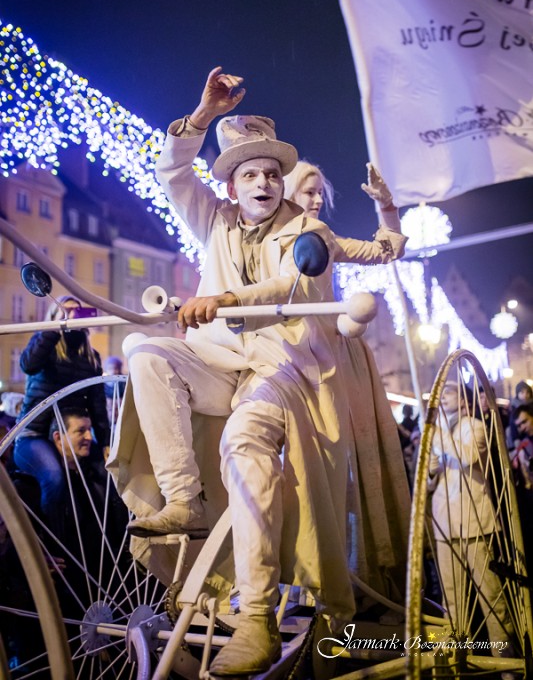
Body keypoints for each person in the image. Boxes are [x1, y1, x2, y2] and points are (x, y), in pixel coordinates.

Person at [109, 67, 407, 676]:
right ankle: (184, 499)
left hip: (285, 364)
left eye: (272, 173)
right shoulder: (214, 218)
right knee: (143, 348)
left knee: (244, 443)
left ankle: (257, 615)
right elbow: (172, 173)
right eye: (250, 174)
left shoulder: (308, 229)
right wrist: (201, 116)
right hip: (221, 358)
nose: (264, 182)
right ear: (232, 185)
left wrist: (386, 208)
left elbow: (299, 281)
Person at [284, 159, 413, 598]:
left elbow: (386, 249)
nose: (317, 199)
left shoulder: (324, 238)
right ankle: (297, 578)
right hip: (285, 358)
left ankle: (356, 574)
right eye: (309, 191)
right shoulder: (261, 240)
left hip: (335, 356)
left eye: (320, 192)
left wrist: (386, 205)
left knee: (348, 464)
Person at [13, 296, 110, 539]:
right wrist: (55, 328)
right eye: (66, 312)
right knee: (54, 478)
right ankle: (52, 545)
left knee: (111, 473)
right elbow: (28, 365)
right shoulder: (44, 346)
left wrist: (106, 443)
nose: (73, 316)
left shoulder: (91, 357)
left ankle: (115, 542)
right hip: (33, 435)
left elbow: (98, 405)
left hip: (70, 435)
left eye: (78, 313)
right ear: (54, 317)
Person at [429, 380, 515, 651]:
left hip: (475, 522)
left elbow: (469, 457)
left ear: (463, 401)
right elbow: (430, 482)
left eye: (450, 392)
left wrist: (440, 438)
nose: (443, 396)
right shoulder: (439, 432)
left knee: (490, 595)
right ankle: (455, 655)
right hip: (445, 521)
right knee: (451, 598)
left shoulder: (475, 426)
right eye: (442, 392)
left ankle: (504, 657)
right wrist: (431, 467)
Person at [103, 355, 126, 425]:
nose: (113, 371)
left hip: (119, 401)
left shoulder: (122, 381)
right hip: (109, 403)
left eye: (115, 368)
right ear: (106, 369)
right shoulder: (104, 382)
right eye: (110, 369)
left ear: (119, 369)